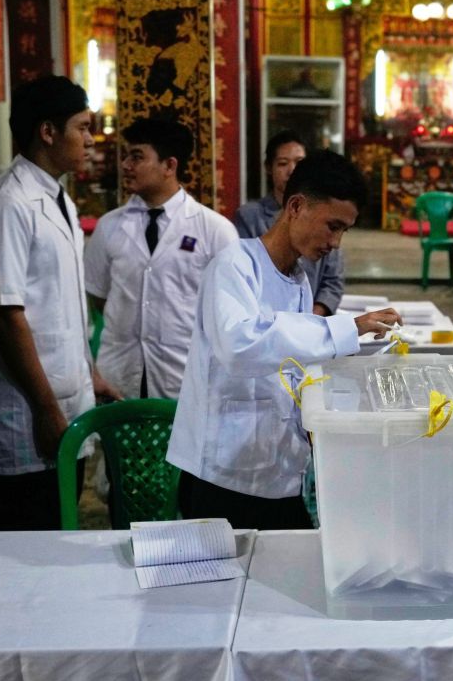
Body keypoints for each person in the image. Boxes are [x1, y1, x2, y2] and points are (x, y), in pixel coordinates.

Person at [166, 150, 401, 530]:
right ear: (296, 206)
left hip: (278, 468)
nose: (336, 242)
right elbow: (240, 347)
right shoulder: (234, 265)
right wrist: (348, 328)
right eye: (332, 225)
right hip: (223, 471)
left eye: (344, 230)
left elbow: (295, 364)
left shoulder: (299, 281)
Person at [0, 76, 122, 530]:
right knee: (31, 533)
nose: (89, 139)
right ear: (47, 132)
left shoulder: (58, 197)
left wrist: (89, 373)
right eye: (82, 127)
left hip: (65, 398)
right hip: (29, 413)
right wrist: (44, 407)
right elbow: (5, 314)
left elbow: (58, 306)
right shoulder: (11, 203)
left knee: (62, 523)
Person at [84, 117, 238, 400]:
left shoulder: (214, 230)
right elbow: (100, 297)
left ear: (169, 166)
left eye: (137, 157)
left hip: (184, 375)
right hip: (119, 372)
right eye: (126, 156)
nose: (126, 165)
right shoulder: (109, 227)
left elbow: (229, 308)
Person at [233, 130, 344, 316]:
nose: (292, 170)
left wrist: (310, 320)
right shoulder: (249, 217)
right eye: (283, 163)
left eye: (299, 163)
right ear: (269, 168)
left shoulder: (324, 217)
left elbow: (333, 282)